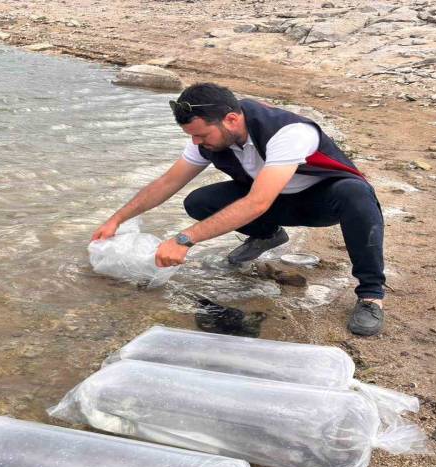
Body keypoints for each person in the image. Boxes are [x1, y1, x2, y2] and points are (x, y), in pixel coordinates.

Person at [91, 83, 386, 336]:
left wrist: (183, 239)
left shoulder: (288, 131)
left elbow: (258, 201)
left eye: (202, 136)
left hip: (319, 201)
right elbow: (167, 182)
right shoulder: (207, 135)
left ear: (231, 119)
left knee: (355, 192)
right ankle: (267, 236)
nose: (196, 143)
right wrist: (116, 220)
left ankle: (371, 295)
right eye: (191, 136)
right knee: (199, 201)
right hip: (271, 199)